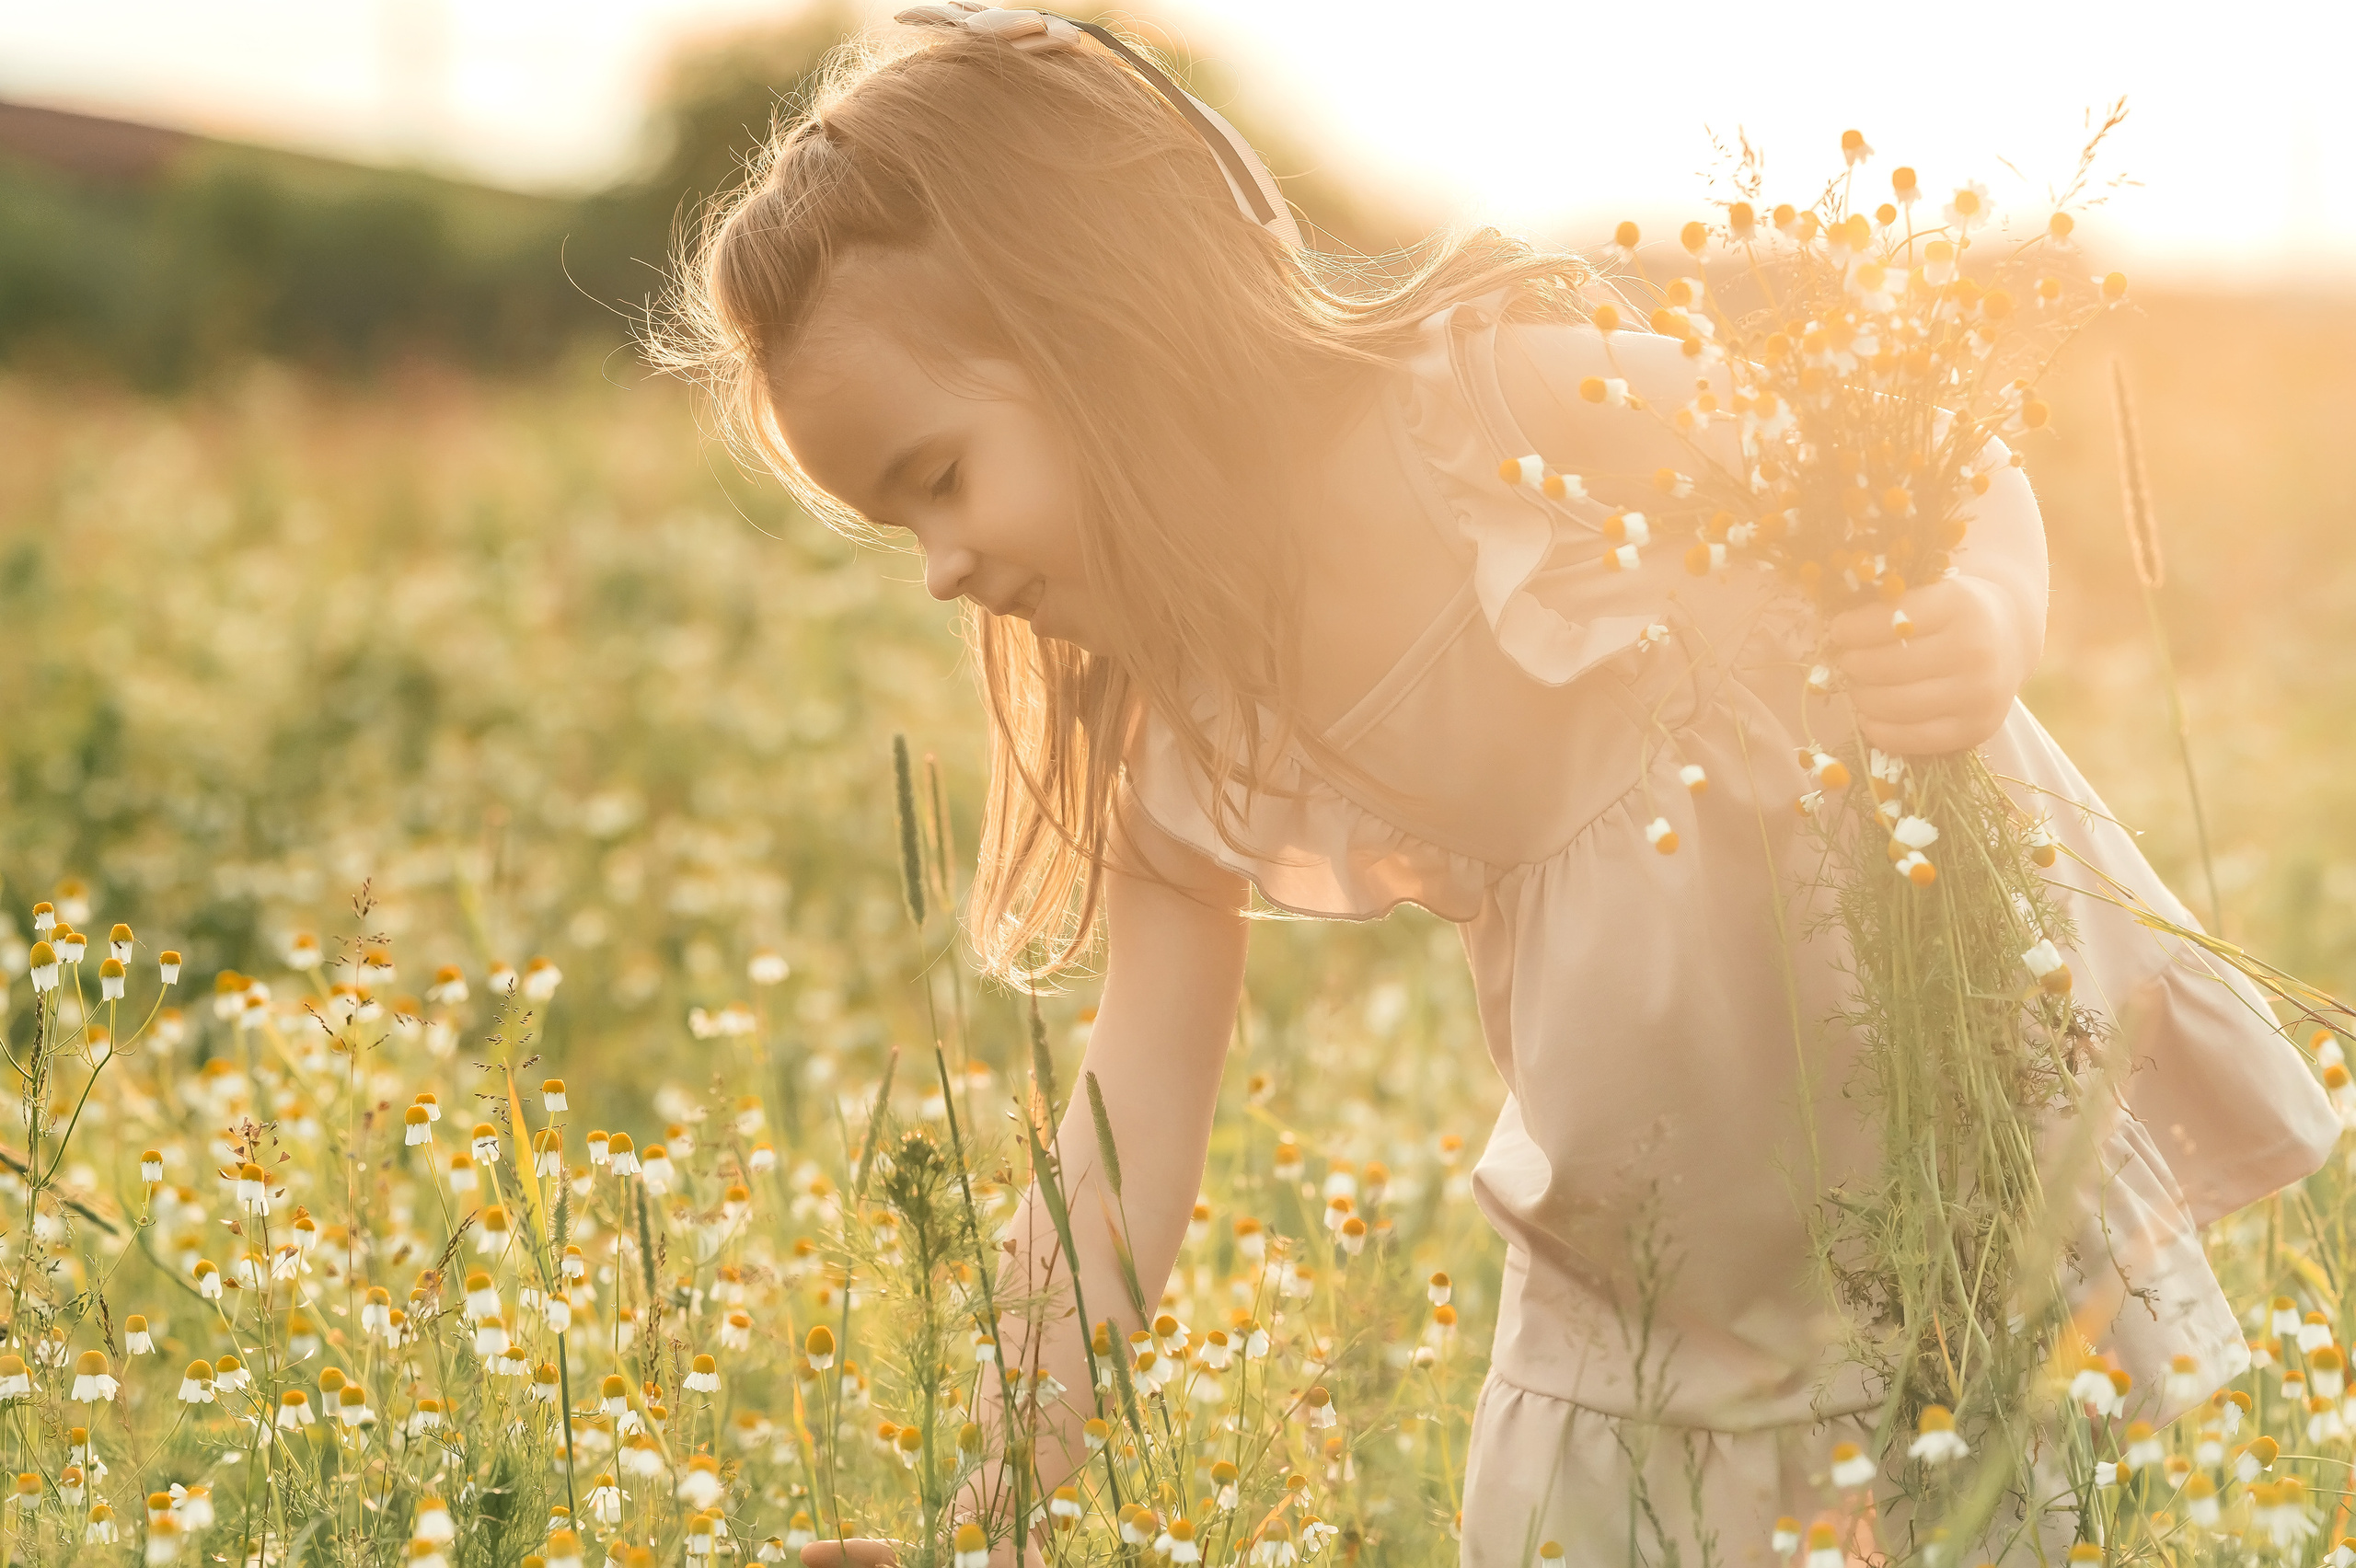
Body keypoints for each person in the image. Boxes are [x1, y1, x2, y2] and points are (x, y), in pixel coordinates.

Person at [649, 6, 2341, 1563]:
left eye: (940, 479)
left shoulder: (1490, 415)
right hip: (1650, 1282)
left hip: (1935, 1159)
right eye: (900, 529)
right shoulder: (1178, 730)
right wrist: (995, 1505)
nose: (940, 569)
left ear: (1101, 329)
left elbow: (1921, 471)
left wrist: (1981, 614)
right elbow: (1121, 1135)